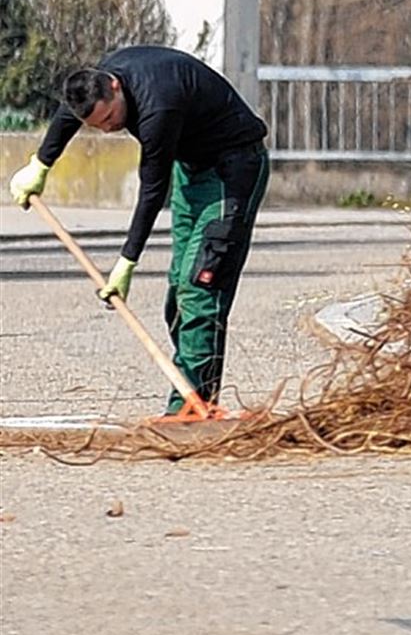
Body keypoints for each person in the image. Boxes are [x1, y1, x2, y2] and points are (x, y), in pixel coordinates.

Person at [8, 46, 270, 417]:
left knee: (201, 285)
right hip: (191, 171)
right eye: (98, 126)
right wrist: (40, 164)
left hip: (233, 169)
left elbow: (151, 190)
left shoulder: (158, 107)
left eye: (111, 118)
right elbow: (70, 113)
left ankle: (192, 409)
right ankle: (192, 400)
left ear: (115, 87)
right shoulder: (99, 80)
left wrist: (126, 262)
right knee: (179, 294)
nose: (110, 128)